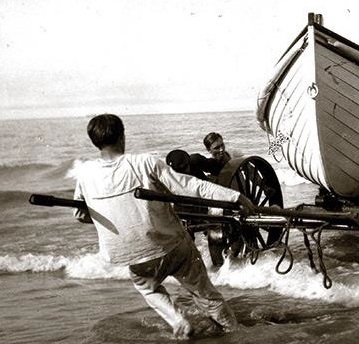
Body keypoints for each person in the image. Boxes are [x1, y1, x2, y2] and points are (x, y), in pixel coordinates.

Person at [73, 114, 255, 338]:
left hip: (131, 256)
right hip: (171, 246)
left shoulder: (85, 174)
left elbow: (81, 215)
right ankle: (233, 332)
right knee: (205, 294)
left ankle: (177, 319)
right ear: (122, 136)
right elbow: (189, 186)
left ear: (95, 142)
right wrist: (236, 197)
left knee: (148, 289)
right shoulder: (143, 163)